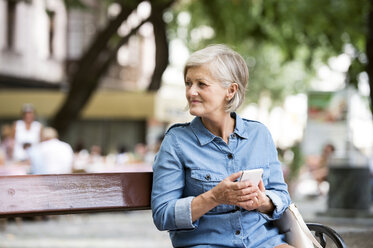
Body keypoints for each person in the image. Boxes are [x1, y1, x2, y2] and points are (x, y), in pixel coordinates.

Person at [151, 44, 292, 248]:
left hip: (263, 242)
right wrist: (214, 197)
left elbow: (281, 195)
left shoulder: (259, 135)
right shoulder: (176, 141)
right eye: (188, 83)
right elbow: (163, 215)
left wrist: (262, 201)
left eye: (201, 84)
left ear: (230, 90)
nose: (191, 92)